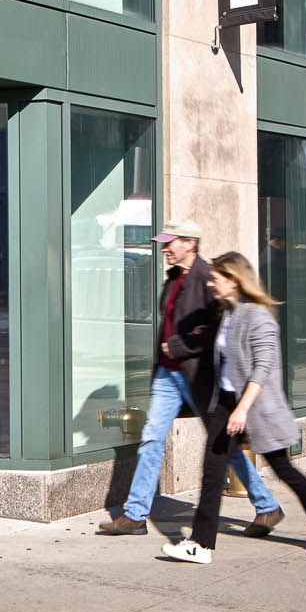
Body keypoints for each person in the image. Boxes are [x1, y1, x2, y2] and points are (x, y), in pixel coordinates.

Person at [98, 221, 284, 538]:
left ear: (189, 243)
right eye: (164, 243)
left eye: (170, 242)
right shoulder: (173, 279)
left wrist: (180, 345)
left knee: (222, 444)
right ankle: (135, 515)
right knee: (151, 439)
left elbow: (216, 329)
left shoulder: (208, 277)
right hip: (168, 375)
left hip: (200, 377)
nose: (165, 248)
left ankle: (266, 506)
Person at [161, 252, 306, 565]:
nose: (210, 282)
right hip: (226, 402)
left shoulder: (258, 316)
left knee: (283, 469)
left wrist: (242, 409)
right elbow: (210, 344)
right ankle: (200, 545)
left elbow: (263, 366)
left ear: (233, 280)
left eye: (216, 278)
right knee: (213, 473)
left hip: (257, 407)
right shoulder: (227, 312)